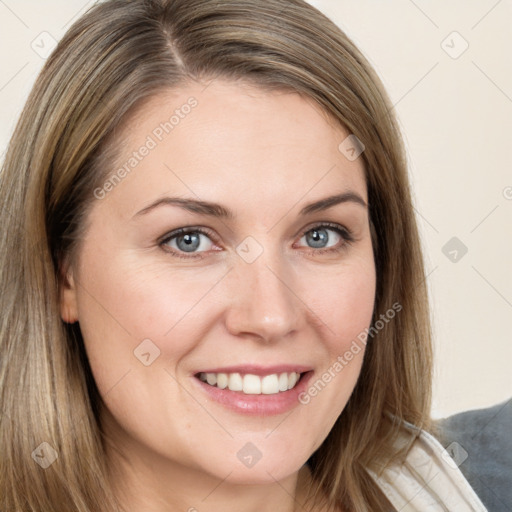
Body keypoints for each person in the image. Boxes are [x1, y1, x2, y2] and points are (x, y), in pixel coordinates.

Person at [0, 0, 488, 510]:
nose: (271, 315)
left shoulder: (489, 477)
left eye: (320, 235)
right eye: (188, 239)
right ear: (63, 272)